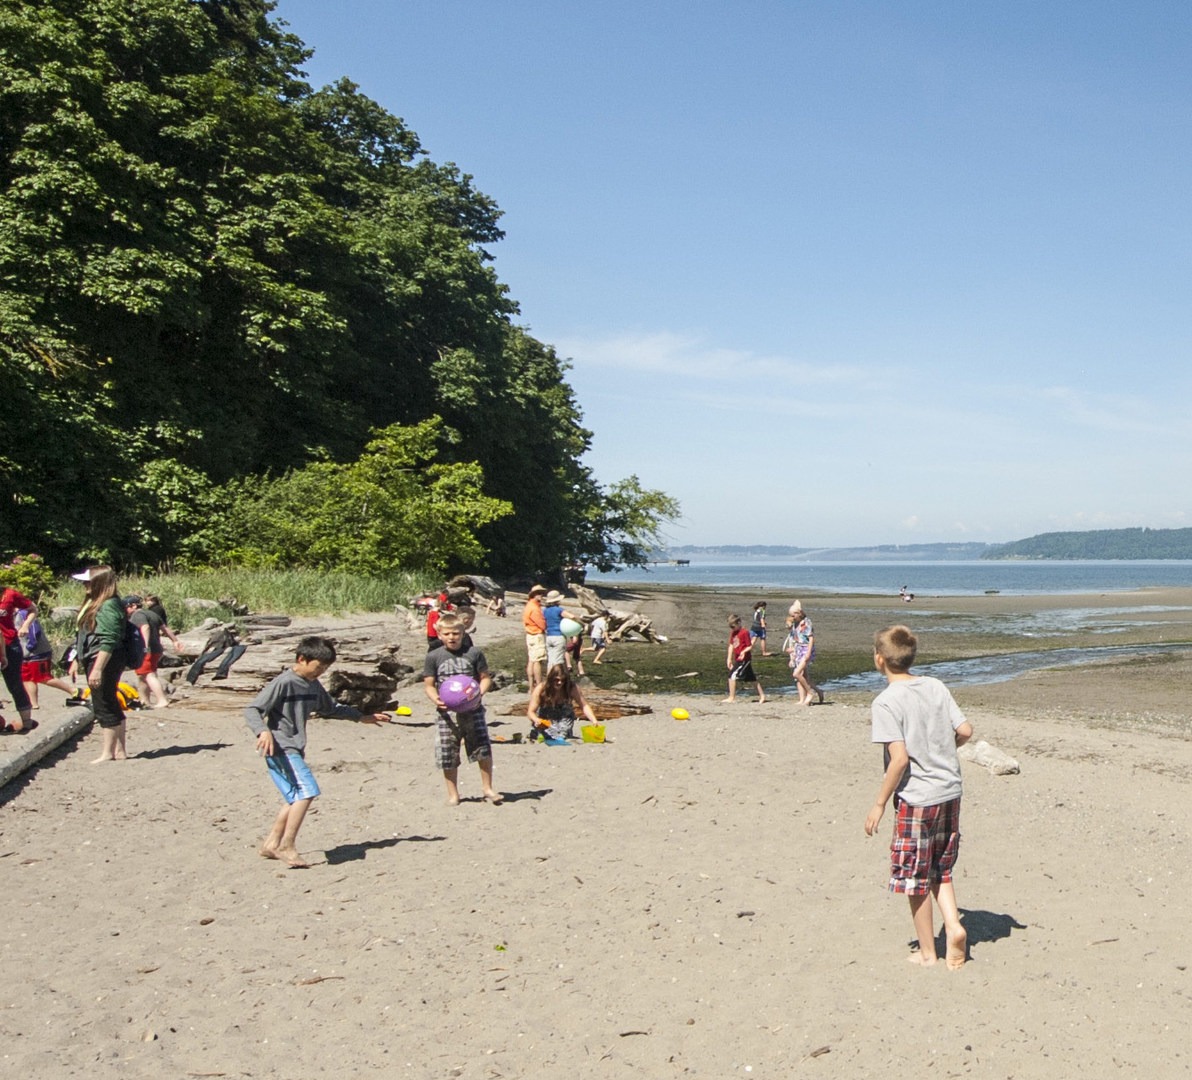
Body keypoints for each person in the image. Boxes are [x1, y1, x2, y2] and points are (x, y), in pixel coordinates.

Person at [864, 625, 973, 970]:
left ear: (879, 659)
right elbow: (965, 731)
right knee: (940, 866)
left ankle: (929, 952)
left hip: (917, 798)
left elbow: (899, 760)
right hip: (949, 790)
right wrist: (942, 751)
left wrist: (880, 803)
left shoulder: (885, 702)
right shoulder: (935, 686)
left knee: (914, 876)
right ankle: (953, 925)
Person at [244, 635, 389, 868]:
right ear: (301, 659)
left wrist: (362, 717)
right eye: (318, 667)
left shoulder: (312, 685)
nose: (320, 672)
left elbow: (330, 708)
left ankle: (270, 844)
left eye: (325, 668)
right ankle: (287, 846)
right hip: (281, 747)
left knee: (294, 798)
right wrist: (263, 731)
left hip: (295, 747)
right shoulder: (284, 682)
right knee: (307, 791)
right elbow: (253, 709)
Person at [423, 614, 501, 806]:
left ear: (463, 633)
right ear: (439, 634)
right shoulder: (434, 656)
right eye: (447, 633)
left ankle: (487, 788)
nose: (452, 637)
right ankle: (453, 794)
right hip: (446, 714)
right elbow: (429, 685)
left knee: (482, 748)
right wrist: (436, 699)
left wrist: (478, 694)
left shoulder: (474, 653)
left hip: (473, 709)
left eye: (456, 633)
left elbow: (485, 678)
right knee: (448, 753)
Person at [70, 567, 129, 761]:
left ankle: (107, 752)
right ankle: (120, 751)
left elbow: (109, 639)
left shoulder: (108, 605)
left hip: (103, 659)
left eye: (88, 581)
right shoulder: (97, 603)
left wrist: (97, 669)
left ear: (99, 583)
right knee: (109, 700)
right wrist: (76, 660)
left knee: (103, 703)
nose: (84, 584)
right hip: (98, 657)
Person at [16, 609, 77, 708]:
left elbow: (34, 632)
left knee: (43, 677)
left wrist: (29, 648)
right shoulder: (12, 614)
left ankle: (73, 690)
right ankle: (33, 704)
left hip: (37, 652)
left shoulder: (23, 613)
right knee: (26, 678)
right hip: (25, 654)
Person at [0, 583, 38, 732]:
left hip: (10, 645)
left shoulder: (10, 595)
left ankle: (26, 722)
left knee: (14, 684)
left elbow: (33, 609)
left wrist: (25, 625)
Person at [527, 663, 598, 740]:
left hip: (563, 720)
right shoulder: (541, 689)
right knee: (543, 735)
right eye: (556, 680)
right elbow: (530, 712)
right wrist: (536, 720)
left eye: (563, 680)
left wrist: (594, 721)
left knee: (562, 735)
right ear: (551, 678)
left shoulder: (571, 688)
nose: (560, 683)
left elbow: (584, 705)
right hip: (545, 719)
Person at [124, 596, 171, 709]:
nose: (125, 611)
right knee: (143, 676)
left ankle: (162, 700)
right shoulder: (151, 613)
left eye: (126, 607)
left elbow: (145, 627)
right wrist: (175, 641)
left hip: (146, 650)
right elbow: (165, 628)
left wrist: (144, 646)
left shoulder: (137, 615)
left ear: (134, 606)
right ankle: (144, 700)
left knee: (148, 675)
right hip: (157, 649)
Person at [785, 601, 824, 706]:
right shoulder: (794, 623)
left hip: (806, 650)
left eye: (794, 615)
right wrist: (792, 652)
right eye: (791, 616)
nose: (792, 617)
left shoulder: (806, 622)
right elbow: (794, 638)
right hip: (798, 649)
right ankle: (805, 697)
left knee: (797, 674)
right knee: (802, 677)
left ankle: (810, 693)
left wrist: (808, 653)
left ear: (799, 613)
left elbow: (811, 638)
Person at [724, 614, 765, 704]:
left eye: (733, 626)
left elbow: (749, 646)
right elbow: (731, 645)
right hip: (738, 659)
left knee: (732, 675)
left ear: (738, 623)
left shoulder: (744, 632)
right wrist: (729, 659)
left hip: (744, 660)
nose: (732, 628)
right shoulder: (733, 633)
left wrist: (743, 652)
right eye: (730, 627)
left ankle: (732, 697)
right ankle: (762, 696)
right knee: (752, 678)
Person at [542, 590, 581, 671]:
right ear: (557, 600)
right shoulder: (558, 610)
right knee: (558, 660)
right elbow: (572, 616)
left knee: (551, 660)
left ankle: (550, 677)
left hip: (549, 636)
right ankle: (556, 678)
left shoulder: (545, 611)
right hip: (558, 636)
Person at [522, 584, 548, 689]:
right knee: (538, 660)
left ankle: (531, 685)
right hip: (536, 634)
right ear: (535, 595)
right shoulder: (535, 608)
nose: (542, 596)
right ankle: (538, 684)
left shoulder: (529, 605)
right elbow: (542, 624)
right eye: (540, 593)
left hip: (530, 634)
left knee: (531, 660)